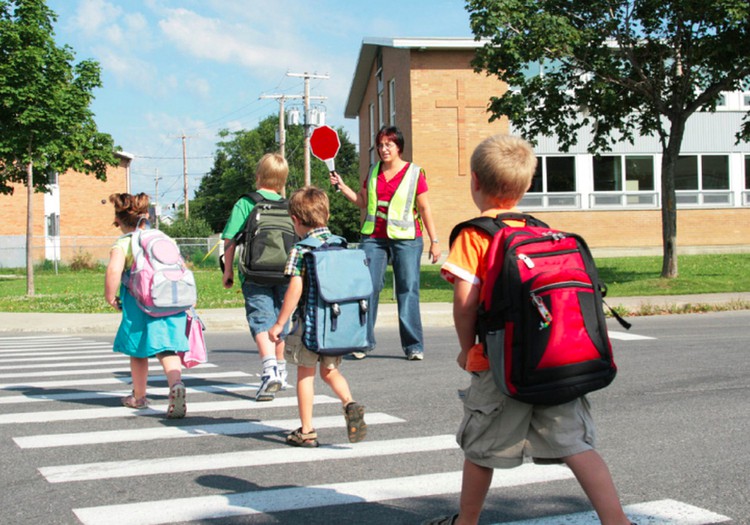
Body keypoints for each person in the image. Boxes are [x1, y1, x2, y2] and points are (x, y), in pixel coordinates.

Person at [424, 135, 632, 525]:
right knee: (577, 446)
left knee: (480, 449)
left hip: (499, 363)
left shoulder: (474, 235)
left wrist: (466, 348)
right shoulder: (542, 231)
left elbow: (465, 302)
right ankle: (618, 521)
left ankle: (464, 523)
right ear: (526, 186)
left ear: (474, 181)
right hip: (554, 359)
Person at [329, 125, 440, 361]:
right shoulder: (372, 171)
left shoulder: (414, 173)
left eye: (388, 144)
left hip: (407, 239)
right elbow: (362, 202)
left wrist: (435, 240)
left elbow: (424, 207)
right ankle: (363, 342)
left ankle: (413, 346)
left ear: (399, 146)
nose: (383, 149)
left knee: (407, 289)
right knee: (368, 288)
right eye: (380, 145)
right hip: (374, 238)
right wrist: (342, 186)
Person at [268, 186, 367, 448]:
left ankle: (308, 430)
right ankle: (349, 402)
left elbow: (295, 288)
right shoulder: (340, 244)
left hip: (309, 325)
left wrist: (280, 323)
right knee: (330, 371)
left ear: (295, 220)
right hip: (335, 323)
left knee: (305, 374)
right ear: (327, 214)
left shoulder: (301, 250)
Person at [104, 192, 188, 419]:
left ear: (119, 221)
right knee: (167, 349)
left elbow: (113, 269)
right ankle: (176, 384)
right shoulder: (162, 237)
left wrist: (110, 296)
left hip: (139, 303)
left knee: (138, 351)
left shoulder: (124, 242)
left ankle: (139, 397)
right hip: (169, 302)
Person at [221, 153, 290, 401]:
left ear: (258, 175)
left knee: (260, 318)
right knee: (281, 320)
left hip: (254, 272)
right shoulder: (289, 205)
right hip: (285, 273)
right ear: (283, 181)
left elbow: (230, 239)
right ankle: (281, 370)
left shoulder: (246, 203)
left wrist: (227, 271)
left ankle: (269, 368)